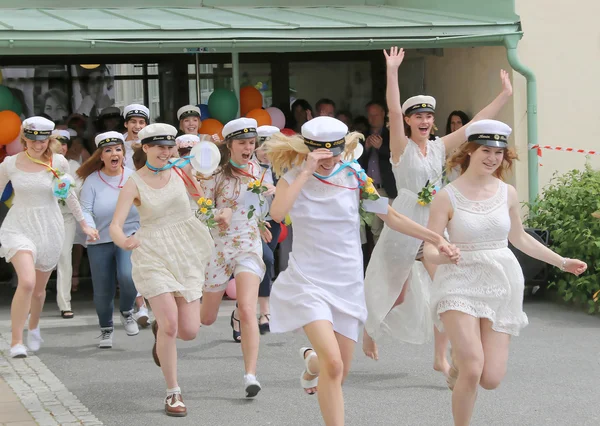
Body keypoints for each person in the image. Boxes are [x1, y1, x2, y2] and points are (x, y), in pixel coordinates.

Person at [264, 116, 458, 426]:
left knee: (336, 371)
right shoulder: (294, 177)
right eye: (322, 155)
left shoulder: (354, 175)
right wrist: (307, 170)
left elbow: (391, 217)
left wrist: (435, 236)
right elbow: (277, 212)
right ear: (310, 150)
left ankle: (312, 363)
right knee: (335, 363)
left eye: (335, 153)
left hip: (346, 282)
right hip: (308, 281)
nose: (330, 161)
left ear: (343, 149)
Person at [362, 47, 513, 379]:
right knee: (394, 290)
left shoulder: (440, 146)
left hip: (435, 224)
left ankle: (442, 357)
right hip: (404, 222)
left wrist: (504, 95)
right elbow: (391, 107)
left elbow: (475, 125)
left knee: (448, 289)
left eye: (429, 116)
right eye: (418, 117)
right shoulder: (400, 147)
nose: (425, 121)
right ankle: (370, 329)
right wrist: (392, 71)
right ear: (408, 121)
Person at [424, 119, 587, 426]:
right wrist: (444, 254)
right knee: (473, 368)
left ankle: (462, 362)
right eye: (486, 150)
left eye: (499, 152)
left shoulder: (507, 192)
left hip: (501, 281)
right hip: (458, 279)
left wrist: (561, 261)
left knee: (490, 378)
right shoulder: (446, 196)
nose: (493, 157)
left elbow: (520, 237)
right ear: (470, 151)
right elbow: (429, 249)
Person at [109, 123, 229, 417]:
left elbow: (201, 206)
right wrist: (124, 240)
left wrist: (218, 215)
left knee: (188, 331)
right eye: (159, 146)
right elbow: (115, 224)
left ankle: (159, 330)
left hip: (186, 249)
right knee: (172, 325)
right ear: (145, 148)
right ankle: (173, 393)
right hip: (151, 251)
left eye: (169, 146)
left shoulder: (182, 170)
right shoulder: (134, 182)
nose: (166, 151)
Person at [0, 117, 98, 358]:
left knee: (39, 291)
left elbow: (69, 195)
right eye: (32, 139)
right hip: (19, 226)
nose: (37, 144)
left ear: (49, 139)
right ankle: (16, 341)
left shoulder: (59, 162)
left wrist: (84, 224)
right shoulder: (10, 163)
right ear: (24, 138)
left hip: (49, 227)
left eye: (42, 139)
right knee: (27, 282)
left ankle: (33, 326)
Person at [199, 118, 269, 398]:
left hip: (248, 246)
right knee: (205, 318)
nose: (248, 148)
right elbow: (198, 213)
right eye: (242, 143)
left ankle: (250, 375)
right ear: (228, 145)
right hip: (217, 248)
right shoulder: (213, 173)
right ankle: (167, 324)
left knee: (248, 308)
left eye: (251, 143)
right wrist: (218, 214)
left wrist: (262, 223)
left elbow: (255, 207)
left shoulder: (257, 170)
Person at [78, 131, 143, 348]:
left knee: (128, 275)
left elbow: (146, 205)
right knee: (103, 289)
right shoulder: (92, 181)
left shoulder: (134, 177)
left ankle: (127, 310)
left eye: (117, 149)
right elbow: (85, 209)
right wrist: (89, 227)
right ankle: (106, 329)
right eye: (108, 150)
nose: (114, 154)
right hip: (100, 240)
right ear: (101, 156)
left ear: (123, 154)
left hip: (129, 236)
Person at [254, 125, 282, 334]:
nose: (265, 151)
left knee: (261, 266)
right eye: (262, 146)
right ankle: (265, 312)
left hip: (273, 221)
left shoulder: (282, 167)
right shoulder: (248, 166)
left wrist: (278, 190)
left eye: (270, 147)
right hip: (251, 223)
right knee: (267, 260)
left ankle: (240, 310)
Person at [54, 129, 82, 319]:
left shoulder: (75, 166)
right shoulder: (42, 165)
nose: (61, 147)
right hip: (45, 216)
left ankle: (65, 303)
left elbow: (77, 193)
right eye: (57, 142)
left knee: (65, 257)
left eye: (64, 143)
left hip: (67, 217)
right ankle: (31, 300)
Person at [123, 104, 150, 170]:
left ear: (145, 125)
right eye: (133, 122)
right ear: (126, 124)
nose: (137, 126)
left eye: (141, 123)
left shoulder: (150, 145)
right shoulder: (118, 143)